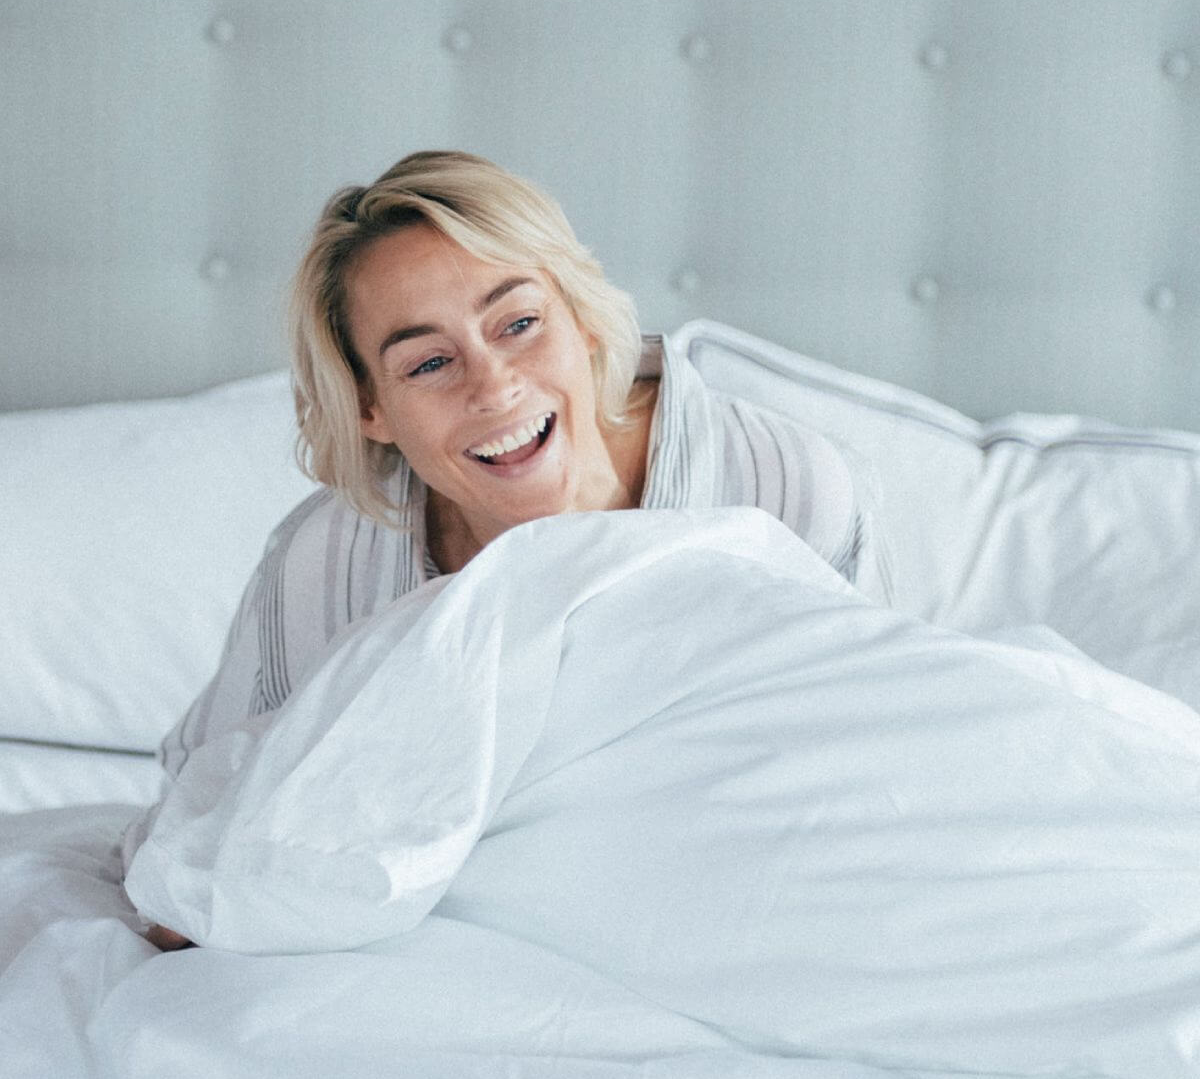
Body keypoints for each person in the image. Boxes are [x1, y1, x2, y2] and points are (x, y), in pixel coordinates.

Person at [139, 150, 891, 949]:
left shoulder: (779, 487)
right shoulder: (327, 564)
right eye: (428, 363)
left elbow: (870, 793)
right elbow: (197, 856)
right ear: (371, 409)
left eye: (520, 324)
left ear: (586, 318)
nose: (493, 386)